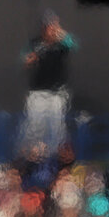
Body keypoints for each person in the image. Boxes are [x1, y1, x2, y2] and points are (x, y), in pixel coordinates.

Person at [22, 11, 75, 151]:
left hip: (57, 92)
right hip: (38, 92)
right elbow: (25, 60)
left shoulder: (62, 43)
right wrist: (33, 56)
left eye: (55, 24)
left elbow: (73, 44)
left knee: (57, 128)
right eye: (50, 25)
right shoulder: (35, 43)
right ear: (44, 27)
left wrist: (61, 36)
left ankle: (55, 156)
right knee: (35, 127)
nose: (53, 28)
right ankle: (34, 155)